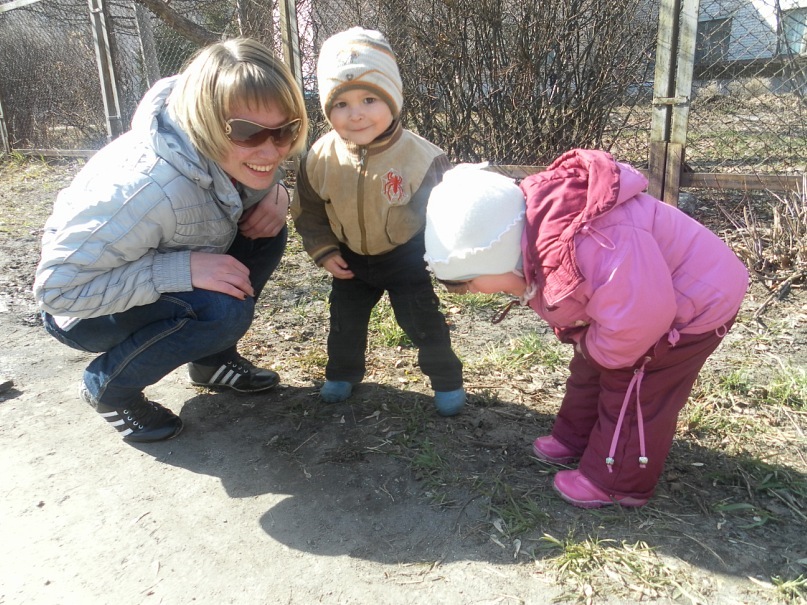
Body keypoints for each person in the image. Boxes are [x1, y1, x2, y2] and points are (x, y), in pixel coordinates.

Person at [423, 151, 748, 507]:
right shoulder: (538, 240)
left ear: (495, 257)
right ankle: (576, 437)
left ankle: (616, 481)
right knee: (591, 363)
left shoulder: (597, 242)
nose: (473, 293)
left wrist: (595, 347)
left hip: (693, 305)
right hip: (634, 305)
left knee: (633, 386)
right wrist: (590, 347)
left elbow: (639, 321)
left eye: (470, 283)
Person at [33, 38, 309, 443]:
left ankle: (211, 362)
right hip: (86, 313)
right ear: (206, 121)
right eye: (247, 132)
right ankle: (109, 388)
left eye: (286, 131)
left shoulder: (222, 145)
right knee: (223, 311)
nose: (271, 151)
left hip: (158, 265)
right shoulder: (144, 188)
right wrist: (179, 270)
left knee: (265, 229)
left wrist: (276, 190)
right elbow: (57, 293)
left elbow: (254, 169)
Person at [291, 27, 465, 416]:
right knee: (344, 321)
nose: (356, 114)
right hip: (348, 256)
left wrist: (451, 268)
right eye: (341, 104)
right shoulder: (319, 157)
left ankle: (447, 380)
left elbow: (447, 218)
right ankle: (342, 373)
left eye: (369, 99)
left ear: (393, 99)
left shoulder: (422, 157)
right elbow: (309, 210)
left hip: (405, 256)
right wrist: (324, 250)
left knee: (422, 321)